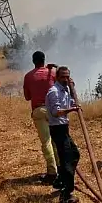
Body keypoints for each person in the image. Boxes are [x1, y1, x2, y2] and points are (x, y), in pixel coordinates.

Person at [45, 66, 81, 203]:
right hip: (57, 128)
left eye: (67, 77)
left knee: (75, 155)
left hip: (64, 127)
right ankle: (66, 195)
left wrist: (72, 93)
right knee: (67, 159)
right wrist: (72, 110)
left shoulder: (65, 89)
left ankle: (60, 180)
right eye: (63, 77)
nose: (66, 79)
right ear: (56, 78)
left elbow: (70, 102)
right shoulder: (53, 92)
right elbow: (56, 112)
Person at [23, 51, 59, 185]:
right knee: (57, 140)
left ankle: (52, 172)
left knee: (46, 142)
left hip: (39, 110)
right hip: (54, 110)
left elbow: (27, 97)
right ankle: (61, 169)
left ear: (33, 61)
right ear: (44, 60)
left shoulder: (28, 76)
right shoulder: (53, 73)